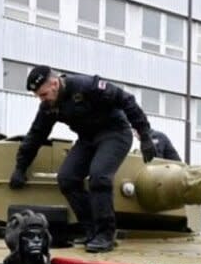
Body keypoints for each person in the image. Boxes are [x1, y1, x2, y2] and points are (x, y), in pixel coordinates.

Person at [9, 66, 156, 253]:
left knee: (99, 176)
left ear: (55, 84)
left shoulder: (87, 86)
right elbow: (36, 135)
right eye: (38, 96)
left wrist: (145, 135)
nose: (42, 99)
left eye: (43, 94)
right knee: (67, 178)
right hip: (88, 139)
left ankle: (105, 234)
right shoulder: (49, 106)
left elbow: (126, 99)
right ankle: (91, 230)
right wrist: (21, 167)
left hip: (115, 133)